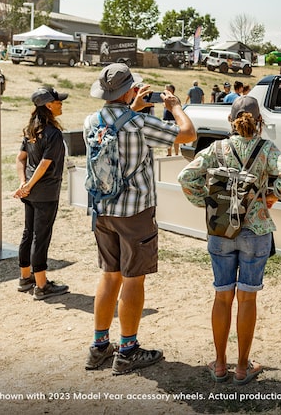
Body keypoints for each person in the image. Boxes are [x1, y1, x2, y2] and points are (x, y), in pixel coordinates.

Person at [177, 96, 281, 385]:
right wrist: (272, 196)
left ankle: (220, 365)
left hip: (221, 230)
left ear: (230, 121)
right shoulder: (266, 149)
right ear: (260, 122)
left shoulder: (216, 149)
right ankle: (243, 367)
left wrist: (205, 203)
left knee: (222, 296)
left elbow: (186, 177)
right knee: (247, 297)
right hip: (255, 231)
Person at [83, 63, 196, 375]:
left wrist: (131, 106)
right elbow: (188, 134)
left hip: (102, 209)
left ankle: (100, 345)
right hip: (135, 211)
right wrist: (175, 107)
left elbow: (116, 128)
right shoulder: (140, 124)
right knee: (133, 279)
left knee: (109, 276)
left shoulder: (90, 121)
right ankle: (129, 350)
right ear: (130, 90)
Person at [14, 87, 70, 300]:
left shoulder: (31, 130)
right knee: (41, 237)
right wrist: (28, 184)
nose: (61, 104)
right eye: (58, 102)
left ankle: (25, 278)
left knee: (29, 233)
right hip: (45, 192)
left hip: (30, 192)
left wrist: (24, 184)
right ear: (48, 105)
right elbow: (45, 165)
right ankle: (41, 285)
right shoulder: (53, 133)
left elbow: (21, 159)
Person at [163, 84, 180, 157]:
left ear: (171, 90)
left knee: (175, 137)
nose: (165, 91)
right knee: (167, 137)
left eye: (167, 89)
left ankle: (176, 153)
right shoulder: (166, 98)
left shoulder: (175, 98)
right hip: (166, 119)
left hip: (173, 119)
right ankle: (169, 153)